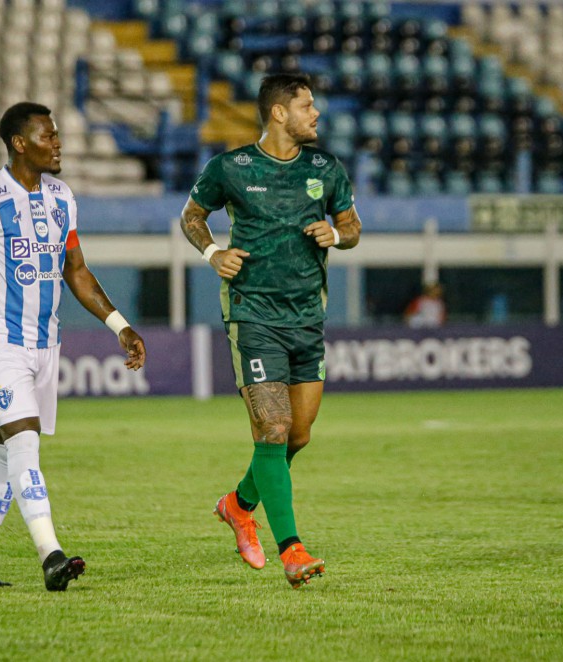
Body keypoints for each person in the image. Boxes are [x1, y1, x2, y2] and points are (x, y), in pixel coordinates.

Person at [0, 102, 146, 591]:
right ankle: (51, 554)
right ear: (20, 143)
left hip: (44, 344)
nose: (58, 143)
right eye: (48, 136)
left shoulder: (62, 197)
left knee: (3, 454)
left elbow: (75, 271)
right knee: (25, 444)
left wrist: (120, 324)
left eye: (57, 135)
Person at [179, 73, 362, 588]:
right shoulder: (230, 168)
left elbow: (352, 226)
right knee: (273, 429)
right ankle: (292, 549)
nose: (316, 115)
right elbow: (192, 216)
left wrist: (338, 235)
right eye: (307, 106)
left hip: (308, 317)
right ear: (279, 113)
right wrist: (213, 251)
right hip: (253, 316)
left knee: (297, 437)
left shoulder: (326, 169)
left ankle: (238, 505)